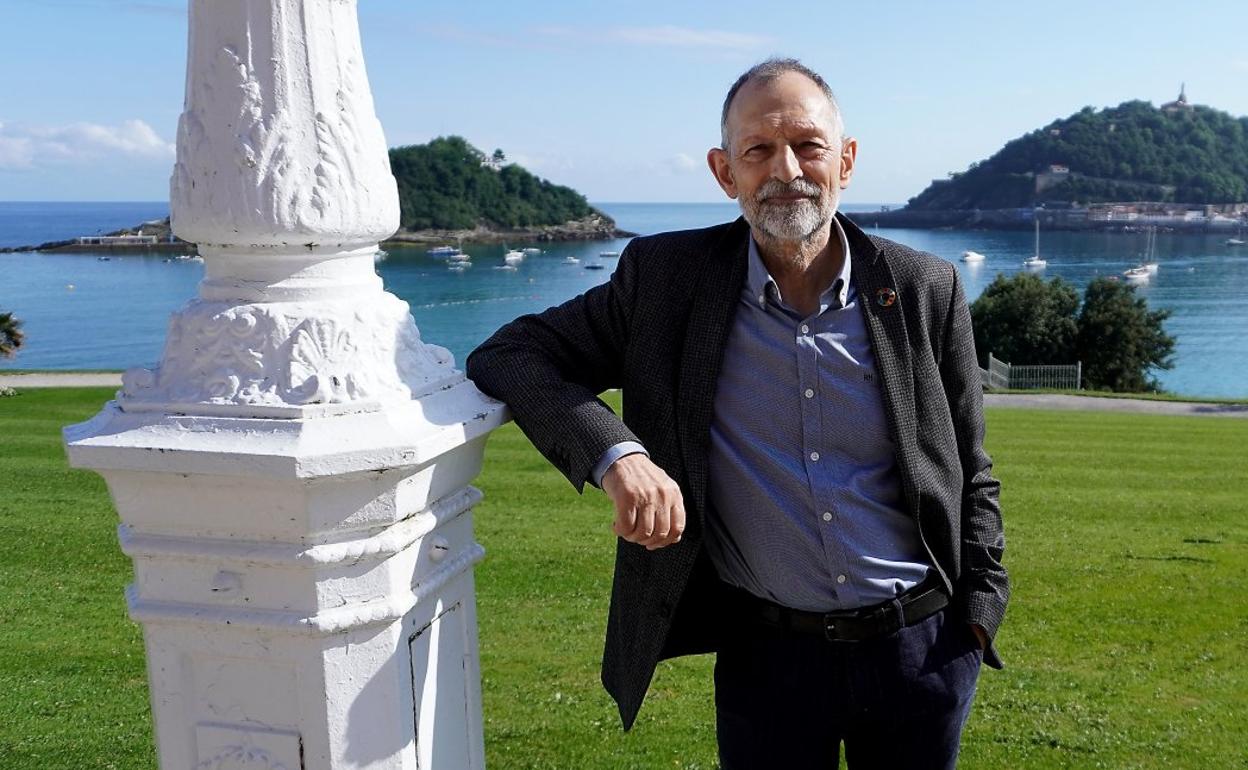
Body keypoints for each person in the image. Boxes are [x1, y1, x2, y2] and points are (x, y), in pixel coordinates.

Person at [466, 57, 1008, 769]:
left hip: (922, 649)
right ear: (726, 173)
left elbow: (971, 468)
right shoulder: (665, 282)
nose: (786, 168)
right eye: (758, 150)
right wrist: (618, 455)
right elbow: (514, 353)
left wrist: (978, 612)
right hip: (768, 661)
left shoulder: (922, 287)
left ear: (845, 160)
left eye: (809, 145)